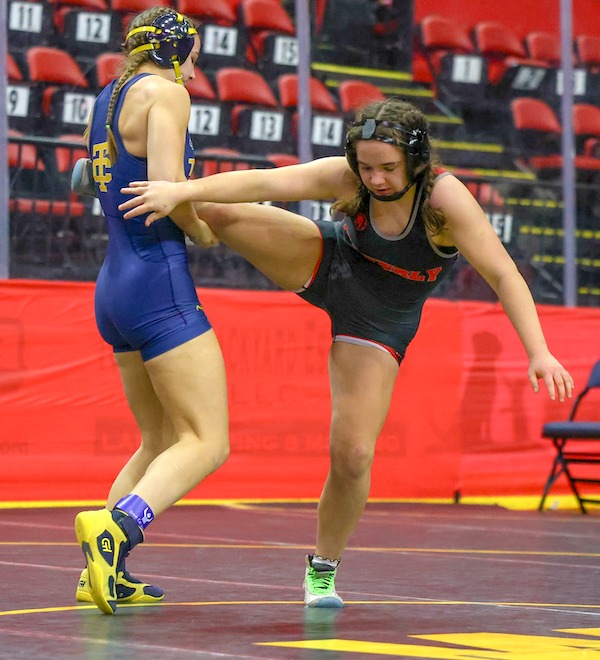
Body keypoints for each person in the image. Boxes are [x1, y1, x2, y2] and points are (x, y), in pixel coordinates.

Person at [118, 97, 575, 608]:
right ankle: (123, 187)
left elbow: (503, 274)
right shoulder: (350, 177)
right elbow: (268, 182)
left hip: (380, 321)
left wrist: (539, 351)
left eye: (388, 168)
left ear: (417, 161)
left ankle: (323, 568)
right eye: (366, 167)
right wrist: (182, 189)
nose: (376, 179)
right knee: (215, 209)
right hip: (330, 262)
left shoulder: (444, 199)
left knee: (353, 455)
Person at [73, 7, 229, 615]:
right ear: (175, 51)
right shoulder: (166, 94)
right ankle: (117, 530)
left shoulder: (107, 97)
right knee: (207, 441)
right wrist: (204, 229)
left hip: (115, 284)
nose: (196, 66)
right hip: (157, 280)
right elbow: (165, 190)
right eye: (193, 53)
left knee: (159, 439)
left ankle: (102, 572)